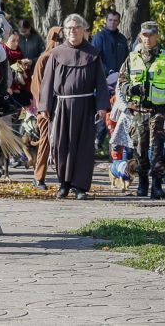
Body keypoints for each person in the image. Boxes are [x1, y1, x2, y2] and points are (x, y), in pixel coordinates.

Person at [38, 14, 111, 200]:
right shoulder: (56, 53)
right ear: (65, 31)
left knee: (84, 147)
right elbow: (47, 82)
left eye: (77, 27)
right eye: (69, 27)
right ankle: (64, 184)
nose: (73, 30)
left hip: (86, 106)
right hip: (62, 106)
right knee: (62, 146)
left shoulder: (93, 53)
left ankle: (80, 187)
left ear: (84, 30)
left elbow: (101, 83)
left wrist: (102, 106)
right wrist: (45, 106)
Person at [117, 21, 165, 199]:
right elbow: (121, 81)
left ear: (157, 36)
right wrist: (130, 89)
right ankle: (143, 183)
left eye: (151, 35)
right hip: (138, 112)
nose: (148, 38)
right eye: (145, 35)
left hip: (158, 112)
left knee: (157, 150)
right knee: (140, 151)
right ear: (140, 36)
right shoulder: (132, 58)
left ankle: (157, 186)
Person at [29, 26, 64, 190]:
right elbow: (36, 87)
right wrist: (44, 107)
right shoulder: (44, 59)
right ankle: (38, 177)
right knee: (46, 141)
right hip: (46, 108)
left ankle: (65, 178)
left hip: (63, 106)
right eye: (58, 39)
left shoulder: (64, 58)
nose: (61, 42)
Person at [92, 10, 130, 77]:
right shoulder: (99, 37)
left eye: (115, 20)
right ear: (106, 21)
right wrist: (108, 72)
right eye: (110, 20)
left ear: (119, 22)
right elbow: (94, 59)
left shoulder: (122, 39)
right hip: (103, 78)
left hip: (120, 78)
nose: (112, 23)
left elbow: (126, 59)